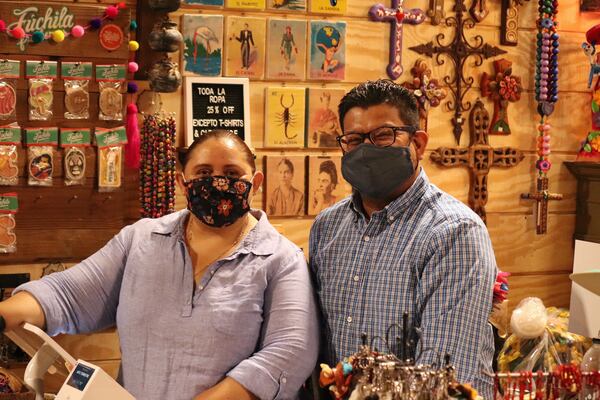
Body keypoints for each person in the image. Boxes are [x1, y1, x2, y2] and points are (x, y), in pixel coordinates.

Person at [0, 129, 319, 400]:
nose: (217, 183)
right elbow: (67, 295)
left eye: (232, 174)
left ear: (256, 182)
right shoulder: (140, 240)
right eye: (204, 173)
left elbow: (290, 352)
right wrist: (4, 315)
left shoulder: (281, 258)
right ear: (183, 183)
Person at [309, 79, 497, 398]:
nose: (367, 150)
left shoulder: (454, 233)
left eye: (383, 135)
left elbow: (443, 378)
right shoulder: (328, 227)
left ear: (418, 142)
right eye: (354, 140)